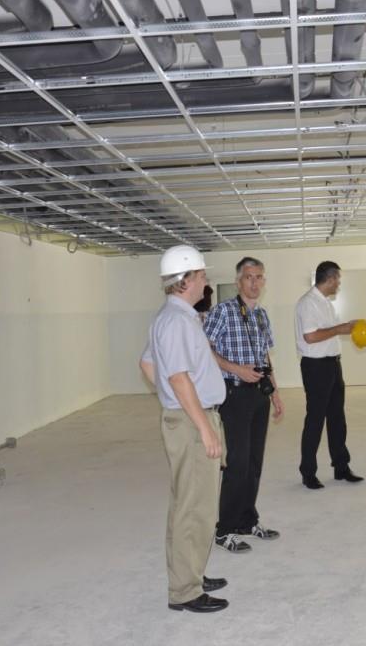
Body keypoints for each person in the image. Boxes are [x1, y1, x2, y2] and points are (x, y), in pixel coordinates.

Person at [139, 245, 229, 613]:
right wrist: (203, 427)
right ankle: (186, 591)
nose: (206, 282)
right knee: (194, 508)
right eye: (202, 275)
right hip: (193, 421)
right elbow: (177, 378)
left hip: (190, 416)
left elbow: (147, 365)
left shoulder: (176, 316)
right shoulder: (176, 321)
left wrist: (171, 398)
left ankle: (191, 572)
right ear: (185, 280)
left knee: (193, 503)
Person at [203, 257, 285, 554]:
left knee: (254, 462)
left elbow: (264, 356)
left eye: (259, 277)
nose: (254, 282)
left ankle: (247, 521)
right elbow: (204, 350)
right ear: (238, 282)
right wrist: (236, 369)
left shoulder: (262, 315)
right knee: (237, 463)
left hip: (259, 395)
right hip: (234, 394)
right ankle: (224, 529)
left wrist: (274, 391)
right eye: (249, 277)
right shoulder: (223, 311)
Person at [294, 260, 364, 489]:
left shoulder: (325, 302)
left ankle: (341, 467)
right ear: (330, 278)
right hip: (316, 367)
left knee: (337, 419)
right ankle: (308, 473)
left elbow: (327, 331)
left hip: (333, 365)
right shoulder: (307, 303)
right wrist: (340, 329)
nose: (339, 284)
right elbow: (310, 337)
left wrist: (346, 326)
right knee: (315, 420)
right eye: (338, 279)